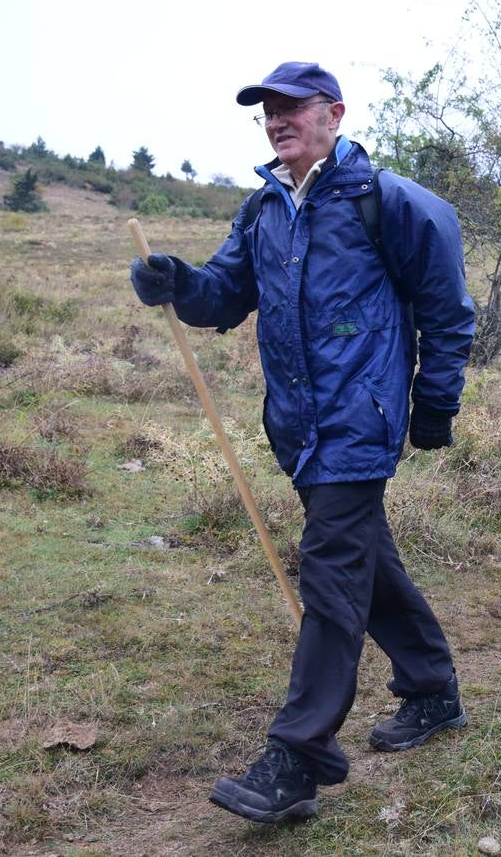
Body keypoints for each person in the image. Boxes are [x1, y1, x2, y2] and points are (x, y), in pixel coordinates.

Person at [129, 62, 475, 824]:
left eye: (293, 108)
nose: (278, 121)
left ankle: (298, 755)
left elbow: (448, 312)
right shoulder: (264, 210)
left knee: (329, 573)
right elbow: (225, 294)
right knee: (364, 561)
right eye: (268, 113)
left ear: (335, 114)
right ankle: (432, 688)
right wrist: (176, 282)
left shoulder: (388, 202)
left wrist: (433, 407)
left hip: (362, 416)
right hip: (297, 427)